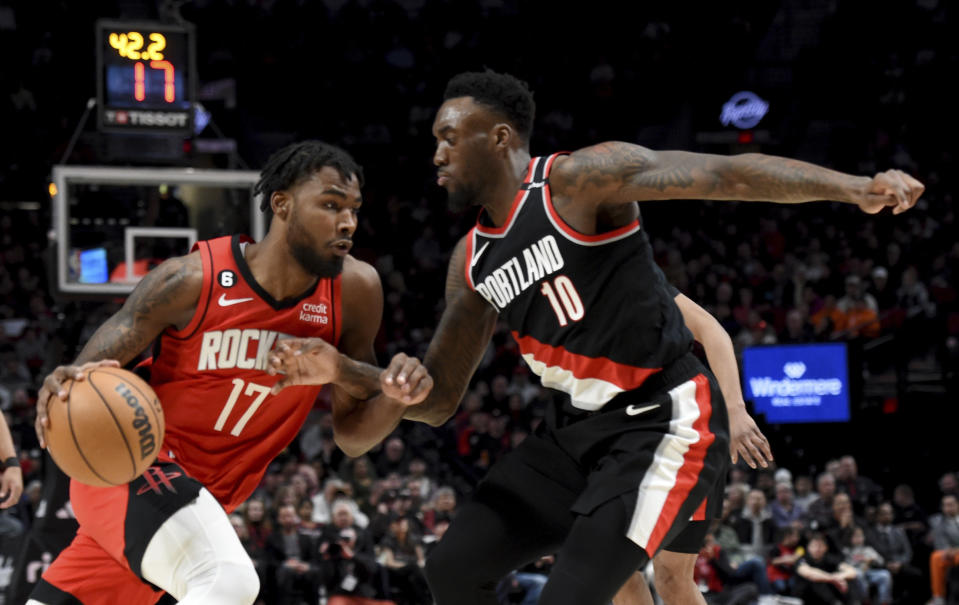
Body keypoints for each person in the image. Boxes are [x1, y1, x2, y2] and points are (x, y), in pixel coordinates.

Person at [269, 69, 922, 605]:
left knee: (618, 588)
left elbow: (724, 175)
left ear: (497, 138)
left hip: (666, 418)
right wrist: (347, 372)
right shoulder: (470, 260)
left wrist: (853, 190)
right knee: (451, 566)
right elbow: (436, 401)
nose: (435, 153)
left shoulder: (575, 181)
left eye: (448, 137)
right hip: (579, 434)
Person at [28, 140, 433, 605]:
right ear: (281, 204)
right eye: (330, 205)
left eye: (354, 209)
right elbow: (80, 376)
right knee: (228, 579)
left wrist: (387, 393)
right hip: (136, 465)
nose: (347, 222)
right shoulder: (190, 281)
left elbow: (354, 438)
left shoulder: (354, 290)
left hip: (198, 503)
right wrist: (63, 386)